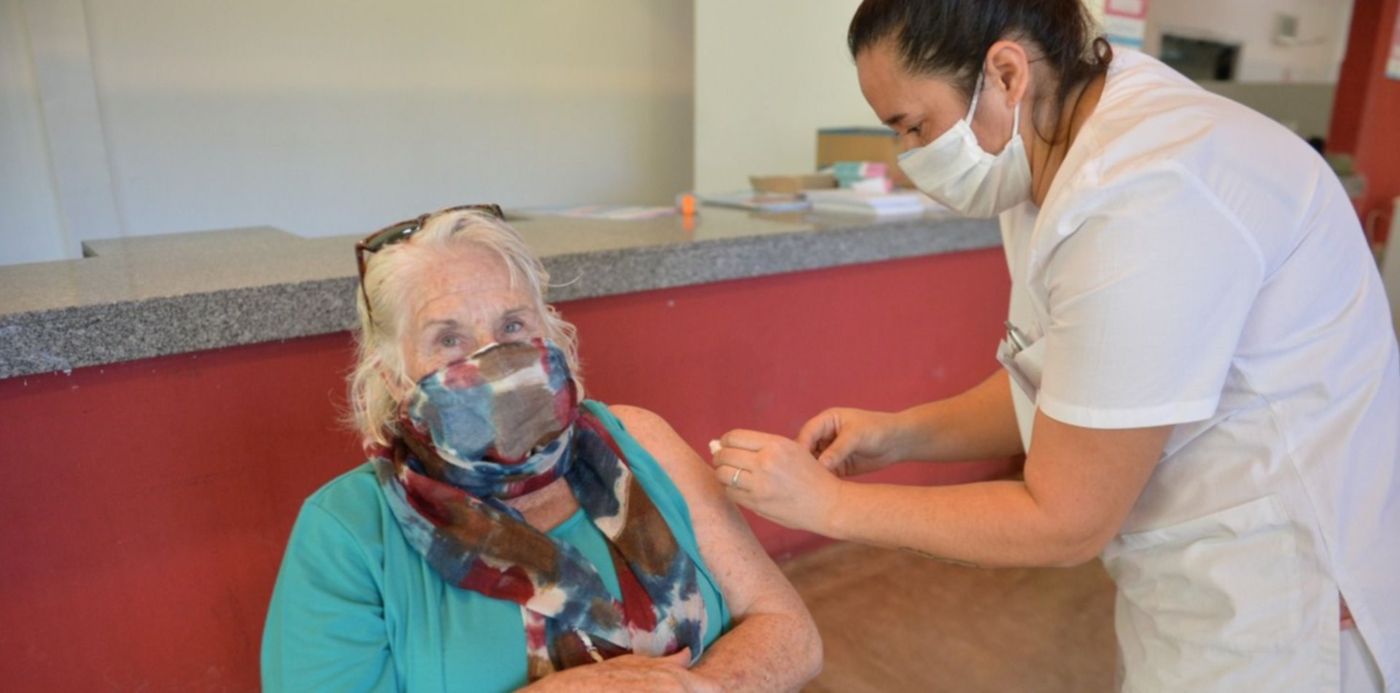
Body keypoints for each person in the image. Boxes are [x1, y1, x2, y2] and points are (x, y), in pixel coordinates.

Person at [709, 1, 1398, 690]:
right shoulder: (1050, 150)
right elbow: (1072, 388)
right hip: (1195, 572)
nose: (910, 157)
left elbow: (1066, 519)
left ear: (1007, 74)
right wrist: (900, 435)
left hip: (1284, 600)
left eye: (914, 126)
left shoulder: (1145, 193)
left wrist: (829, 507)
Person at [262, 206, 821, 692]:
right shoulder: (348, 530)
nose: (493, 359)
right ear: (393, 376)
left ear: (550, 334)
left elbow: (790, 632)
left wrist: (697, 688)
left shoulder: (642, 443)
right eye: (448, 338)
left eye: (512, 325)